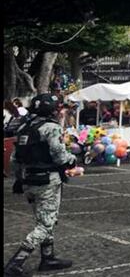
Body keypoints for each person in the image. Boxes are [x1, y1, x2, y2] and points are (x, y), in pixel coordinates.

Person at [5, 94, 79, 275]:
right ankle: (16, 263)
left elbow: (15, 158)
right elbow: (59, 155)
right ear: (52, 110)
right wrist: (73, 160)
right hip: (48, 180)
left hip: (30, 180)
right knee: (45, 225)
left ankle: (48, 258)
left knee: (44, 219)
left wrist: (19, 179)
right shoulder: (51, 128)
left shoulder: (24, 127)